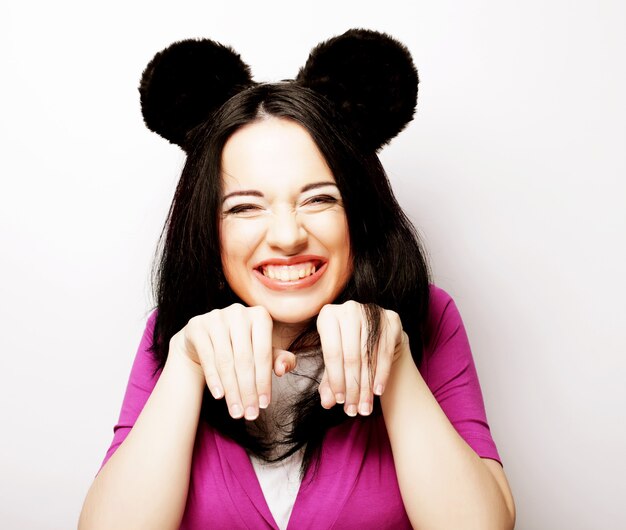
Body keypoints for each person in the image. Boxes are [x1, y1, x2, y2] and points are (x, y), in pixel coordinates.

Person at [79, 29, 515, 529]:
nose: (287, 236)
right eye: (245, 207)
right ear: (208, 228)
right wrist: (186, 363)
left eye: (319, 199)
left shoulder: (430, 316)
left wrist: (395, 363)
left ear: (359, 212)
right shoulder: (177, 330)